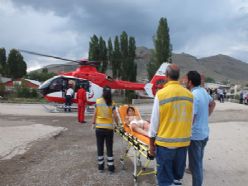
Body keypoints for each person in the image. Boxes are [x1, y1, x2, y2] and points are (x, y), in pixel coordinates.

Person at [149, 64, 193, 186]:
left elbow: (154, 123)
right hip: (182, 145)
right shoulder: (189, 95)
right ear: (178, 77)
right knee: (176, 178)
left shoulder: (161, 94)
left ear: (166, 76)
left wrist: (151, 145)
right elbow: (190, 119)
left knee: (164, 180)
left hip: (165, 146)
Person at [186, 71, 216, 186]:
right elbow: (213, 103)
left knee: (197, 167)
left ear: (190, 82)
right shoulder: (203, 91)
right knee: (198, 162)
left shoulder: (193, 96)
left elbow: (192, 118)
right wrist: (206, 116)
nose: (185, 82)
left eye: (186, 80)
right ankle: (192, 169)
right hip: (204, 134)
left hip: (196, 136)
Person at [91, 86, 118, 173]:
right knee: (109, 148)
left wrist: (93, 123)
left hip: (99, 129)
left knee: (100, 147)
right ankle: (110, 168)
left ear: (103, 92)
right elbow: (115, 116)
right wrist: (118, 125)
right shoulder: (112, 103)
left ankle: (101, 167)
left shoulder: (98, 101)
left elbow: (94, 114)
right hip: (109, 129)